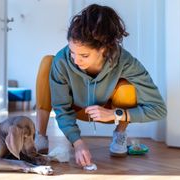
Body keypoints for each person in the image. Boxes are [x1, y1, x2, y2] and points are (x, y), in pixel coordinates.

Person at [34, 4, 167, 168]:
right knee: (48, 62)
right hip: (74, 107)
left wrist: (115, 114)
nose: (75, 60)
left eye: (84, 55)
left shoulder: (125, 61)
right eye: (72, 52)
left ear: (104, 49)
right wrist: (77, 142)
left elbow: (159, 109)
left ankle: (120, 135)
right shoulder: (62, 61)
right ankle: (40, 135)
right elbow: (61, 108)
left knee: (127, 87)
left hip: (107, 112)